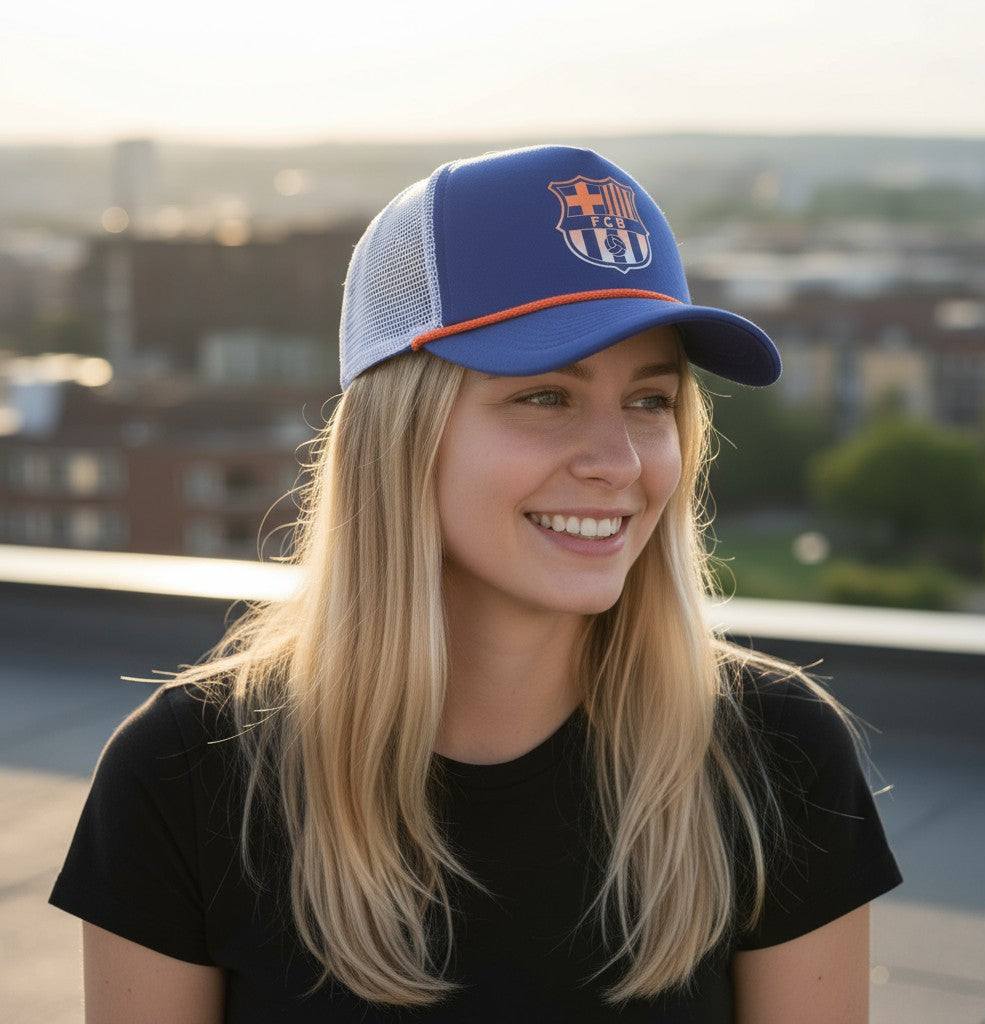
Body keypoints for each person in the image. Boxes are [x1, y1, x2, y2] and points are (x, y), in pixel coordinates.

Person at [48, 144, 903, 1022]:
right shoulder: (186, 778)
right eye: (546, 397)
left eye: (650, 401)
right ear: (400, 432)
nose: (619, 463)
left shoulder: (777, 757)